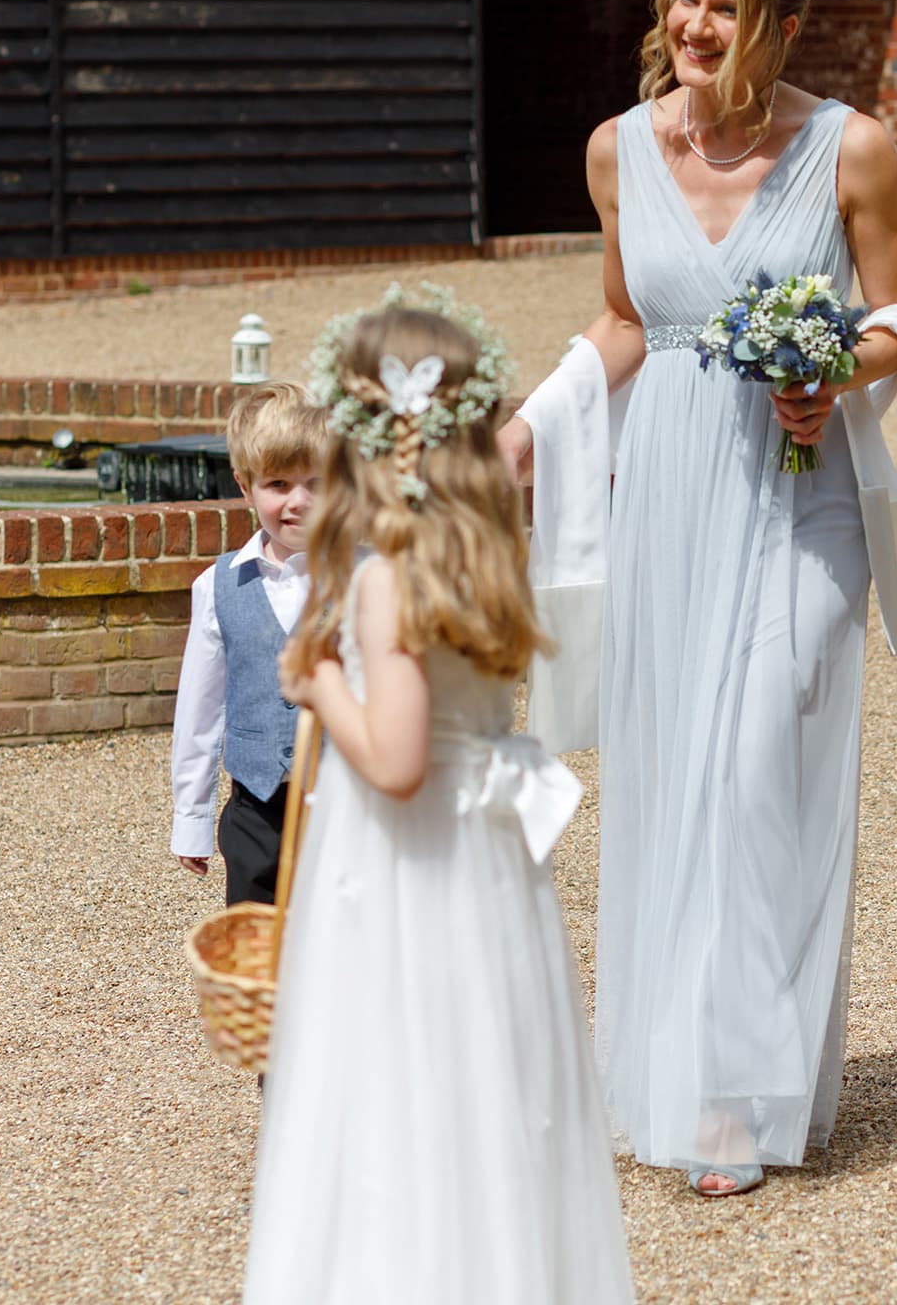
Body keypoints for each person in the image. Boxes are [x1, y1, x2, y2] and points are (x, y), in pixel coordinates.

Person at [578, 0, 897, 1198]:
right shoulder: (619, 152)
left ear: (778, 25)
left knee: (760, 763)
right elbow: (624, 320)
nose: (694, 26)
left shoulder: (853, 151)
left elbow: (894, 313)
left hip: (803, 496)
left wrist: (842, 366)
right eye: (684, 0)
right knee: (682, 777)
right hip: (670, 494)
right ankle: (713, 1083)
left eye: (724, 8)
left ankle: (745, 1074)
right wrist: (528, 426)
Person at [243, 290, 633, 1303]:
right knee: (487, 1087)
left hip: (406, 858)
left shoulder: (388, 579)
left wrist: (318, 682)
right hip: (488, 862)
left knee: (398, 1083)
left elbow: (400, 757)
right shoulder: (487, 554)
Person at [168, 382, 323, 905]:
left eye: (317, 483)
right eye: (279, 484)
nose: (299, 502)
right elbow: (201, 709)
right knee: (255, 958)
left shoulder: (367, 573)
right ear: (245, 484)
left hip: (350, 809)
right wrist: (192, 818)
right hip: (256, 812)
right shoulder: (218, 585)